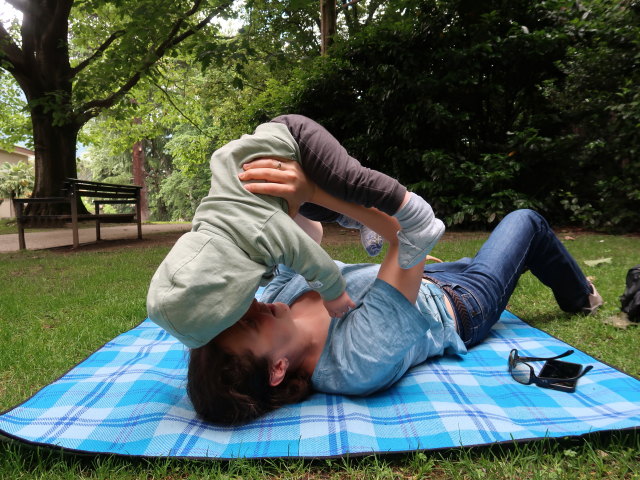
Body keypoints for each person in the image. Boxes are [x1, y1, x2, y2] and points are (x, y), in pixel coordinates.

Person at [186, 161, 603, 425]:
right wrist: (317, 192)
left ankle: (526, 267)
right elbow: (411, 235)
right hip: (461, 302)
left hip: (421, 276)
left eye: (237, 313)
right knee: (525, 222)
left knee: (507, 254)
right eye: (248, 324)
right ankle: (581, 297)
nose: (252, 306)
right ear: (277, 369)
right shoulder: (356, 362)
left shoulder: (278, 300)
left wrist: (280, 198)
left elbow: (307, 233)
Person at [147, 115, 444, 349]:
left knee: (349, 180)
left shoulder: (256, 230)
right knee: (311, 208)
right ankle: (363, 221)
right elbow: (308, 231)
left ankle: (415, 214)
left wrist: (333, 293)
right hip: (276, 180)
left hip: (294, 138)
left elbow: (309, 255)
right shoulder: (211, 229)